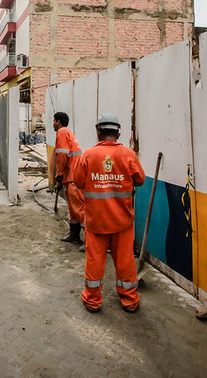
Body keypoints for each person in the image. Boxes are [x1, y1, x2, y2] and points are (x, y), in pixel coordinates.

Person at [72, 113, 145, 313]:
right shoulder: (129, 155)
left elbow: (78, 182)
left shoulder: (88, 155)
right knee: (125, 261)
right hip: (122, 221)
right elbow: (140, 180)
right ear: (118, 134)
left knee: (95, 260)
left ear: (98, 133)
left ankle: (92, 300)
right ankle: (130, 299)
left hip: (96, 220)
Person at [52, 112, 85, 244]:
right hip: (72, 175)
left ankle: (90, 240)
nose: (53, 124)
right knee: (72, 207)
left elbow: (62, 155)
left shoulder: (61, 132)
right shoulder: (68, 133)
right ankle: (74, 234)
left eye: (54, 121)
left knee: (79, 208)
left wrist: (59, 175)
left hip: (73, 176)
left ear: (59, 122)